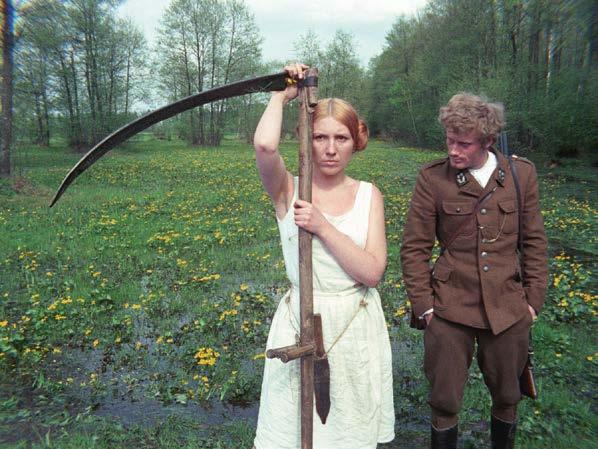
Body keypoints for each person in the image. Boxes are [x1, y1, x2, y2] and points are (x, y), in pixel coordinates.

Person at [252, 64, 395, 449]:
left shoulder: (369, 195)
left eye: (341, 138)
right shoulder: (289, 189)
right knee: (292, 432)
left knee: (347, 431)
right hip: (300, 320)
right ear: (306, 138)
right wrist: (280, 95)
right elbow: (264, 146)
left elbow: (372, 272)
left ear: (355, 141)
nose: (330, 149)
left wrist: (323, 226)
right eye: (320, 137)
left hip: (353, 324)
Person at [400, 93, 548, 449]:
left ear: (487, 141)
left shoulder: (520, 175)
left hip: (508, 307)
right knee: (444, 400)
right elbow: (414, 248)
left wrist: (532, 303)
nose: (453, 151)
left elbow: (534, 242)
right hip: (448, 309)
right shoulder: (433, 178)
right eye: (449, 140)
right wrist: (426, 308)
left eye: (463, 144)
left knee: (508, 395)